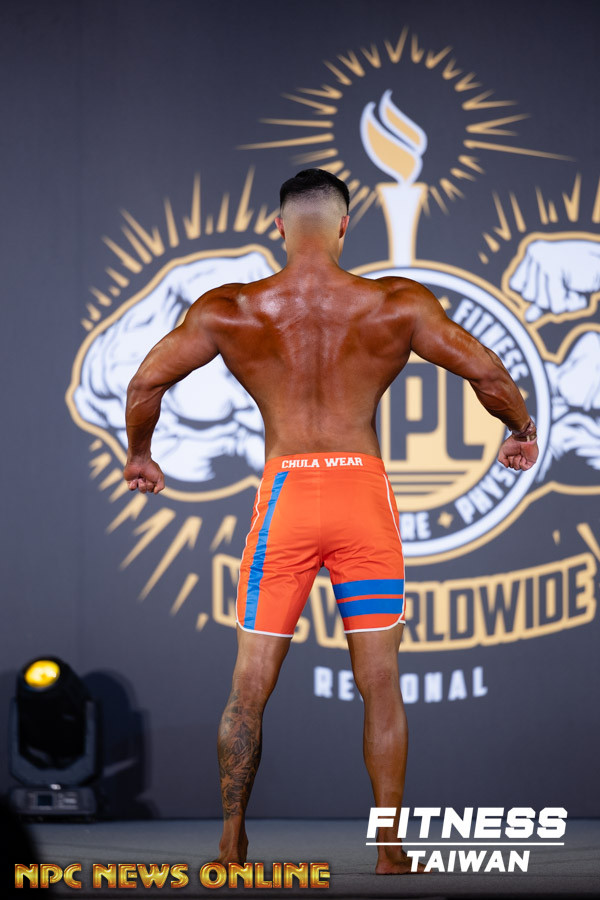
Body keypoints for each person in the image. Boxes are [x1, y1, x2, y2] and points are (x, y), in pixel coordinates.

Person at [123, 169, 539, 875]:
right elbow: (490, 374)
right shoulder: (395, 303)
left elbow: (145, 382)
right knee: (381, 684)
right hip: (360, 498)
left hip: (286, 497)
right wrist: (520, 429)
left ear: (279, 227)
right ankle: (390, 849)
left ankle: (231, 841)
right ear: (346, 226)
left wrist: (141, 455)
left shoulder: (231, 308)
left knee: (248, 686)